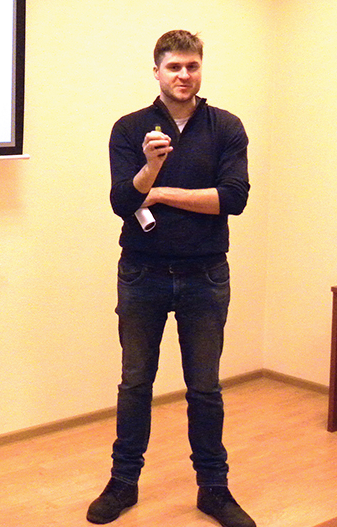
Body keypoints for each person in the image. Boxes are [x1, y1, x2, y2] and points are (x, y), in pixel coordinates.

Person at [87, 31, 255, 527]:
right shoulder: (130, 128)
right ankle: (123, 483)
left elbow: (233, 198)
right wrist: (150, 168)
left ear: (201, 69)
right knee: (135, 383)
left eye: (192, 66)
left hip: (206, 274)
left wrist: (160, 193)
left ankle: (214, 490)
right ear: (156, 72)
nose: (184, 75)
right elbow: (122, 201)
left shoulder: (226, 126)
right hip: (143, 273)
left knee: (204, 388)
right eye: (174, 67)